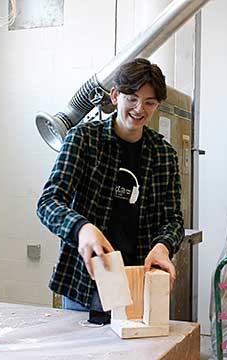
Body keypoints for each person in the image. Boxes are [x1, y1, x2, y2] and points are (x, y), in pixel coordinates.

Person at [36, 58, 184, 320]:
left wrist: (163, 246)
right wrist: (82, 228)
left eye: (149, 102)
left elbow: (172, 220)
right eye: (132, 98)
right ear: (115, 96)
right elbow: (48, 202)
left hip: (140, 278)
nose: (139, 109)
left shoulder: (163, 154)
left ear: (157, 105)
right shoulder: (83, 139)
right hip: (86, 280)